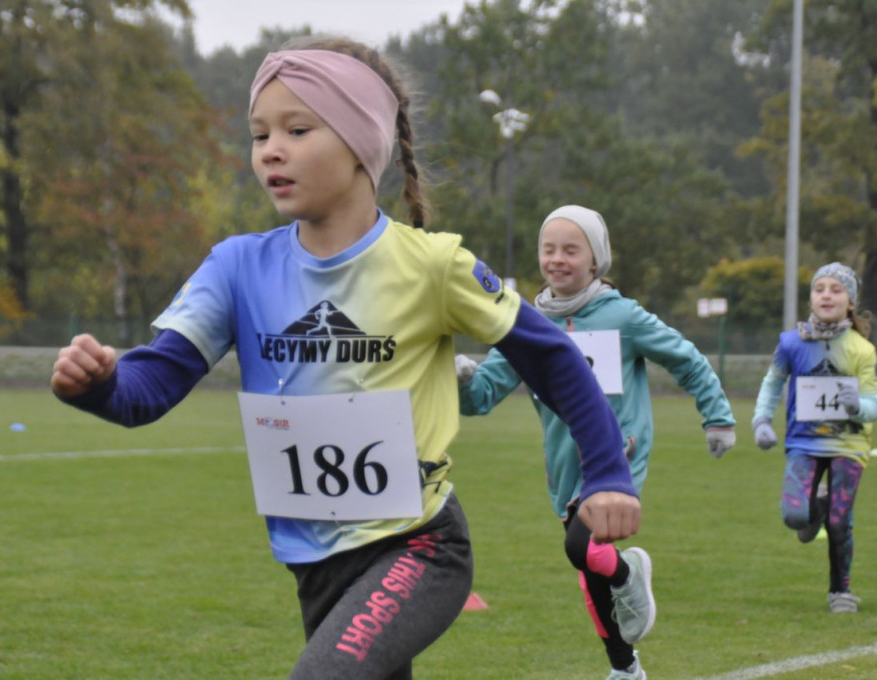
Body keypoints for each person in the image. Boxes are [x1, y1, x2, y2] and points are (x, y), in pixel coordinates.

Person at [49, 37, 642, 680]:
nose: (270, 149)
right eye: (259, 134)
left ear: (363, 143)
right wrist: (100, 384)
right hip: (313, 562)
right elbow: (151, 386)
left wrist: (607, 475)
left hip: (420, 547)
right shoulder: (237, 267)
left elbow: (553, 360)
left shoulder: (433, 265)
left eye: (297, 129)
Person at [454, 205, 736, 680]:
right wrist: (462, 379)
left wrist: (718, 417)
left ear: (595, 259)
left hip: (618, 456)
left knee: (581, 546)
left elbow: (686, 358)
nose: (557, 259)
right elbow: (481, 397)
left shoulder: (621, 315)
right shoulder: (523, 323)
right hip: (564, 467)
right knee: (589, 574)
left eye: (571, 249)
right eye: (549, 249)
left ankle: (630, 575)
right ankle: (626, 669)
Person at [751, 262, 877, 614]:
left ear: (850, 302)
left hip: (848, 445)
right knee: (794, 516)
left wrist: (858, 407)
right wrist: (761, 420)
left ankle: (840, 591)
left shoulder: (861, 350)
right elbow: (773, 382)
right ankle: (815, 507)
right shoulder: (791, 343)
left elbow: (875, 405)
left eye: (836, 290)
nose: (827, 295)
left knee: (840, 520)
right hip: (804, 443)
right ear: (811, 298)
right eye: (820, 288)